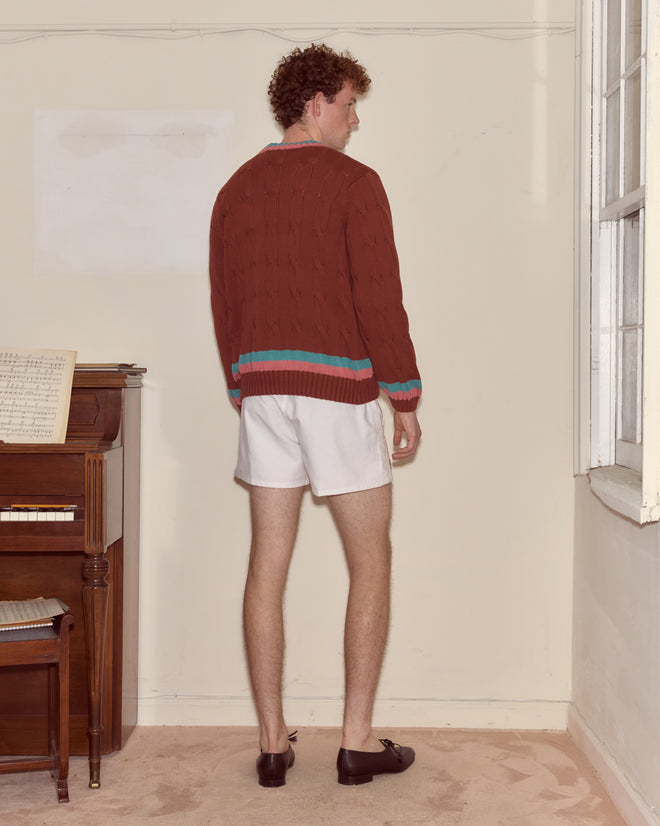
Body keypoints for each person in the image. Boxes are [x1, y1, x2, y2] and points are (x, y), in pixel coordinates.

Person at [209, 43, 422, 787]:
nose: (356, 120)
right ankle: (357, 742)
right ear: (315, 105)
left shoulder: (236, 188)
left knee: (267, 562)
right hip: (340, 391)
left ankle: (273, 744)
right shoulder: (356, 184)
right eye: (351, 104)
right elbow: (378, 297)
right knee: (372, 560)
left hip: (264, 389)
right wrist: (404, 392)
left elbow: (224, 300)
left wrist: (244, 386)